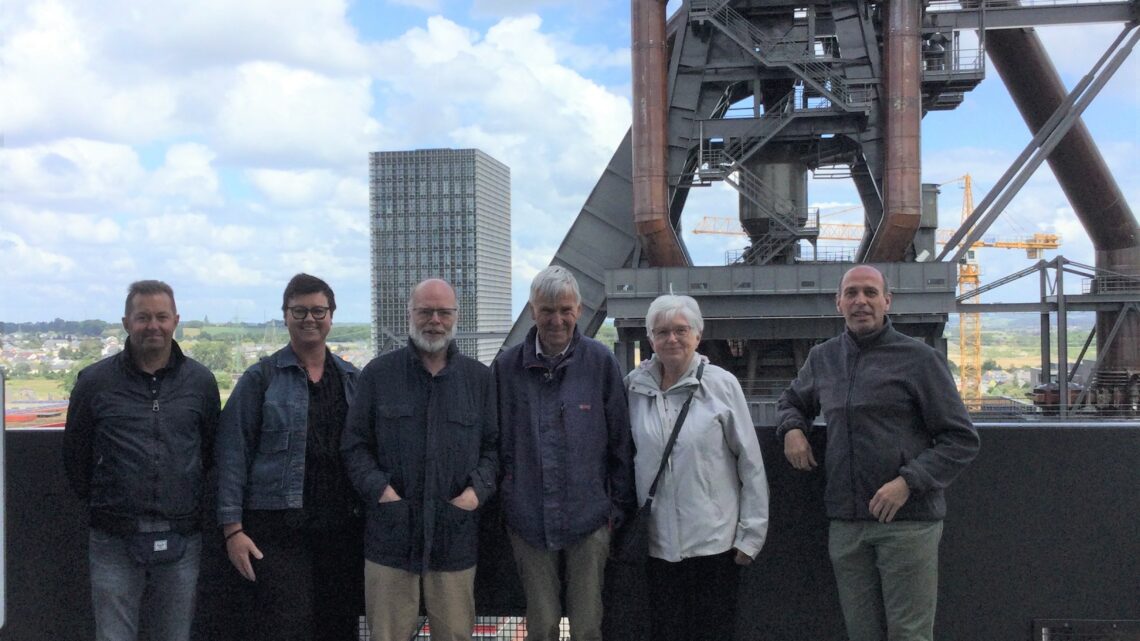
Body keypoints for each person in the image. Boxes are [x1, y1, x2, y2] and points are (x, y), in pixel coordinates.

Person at [776, 264, 980, 641]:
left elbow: (961, 438)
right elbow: (791, 400)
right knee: (861, 633)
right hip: (847, 523)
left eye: (870, 293)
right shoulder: (824, 358)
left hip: (908, 524)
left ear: (887, 301)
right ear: (839, 303)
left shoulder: (920, 359)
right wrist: (792, 429)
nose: (860, 301)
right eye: (851, 293)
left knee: (909, 635)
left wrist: (908, 481)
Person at [63, 280, 220, 641]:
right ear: (125, 322)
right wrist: (110, 503)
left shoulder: (201, 382)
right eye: (143, 317)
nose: (153, 326)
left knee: (174, 635)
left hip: (181, 535)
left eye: (162, 317)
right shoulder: (94, 382)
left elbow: (210, 451)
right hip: (113, 537)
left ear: (176, 320)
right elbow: (75, 456)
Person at [341, 278, 498, 641]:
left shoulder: (479, 380)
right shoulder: (379, 375)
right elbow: (354, 446)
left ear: (456, 316)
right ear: (410, 315)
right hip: (391, 539)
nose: (435, 320)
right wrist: (382, 493)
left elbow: (494, 449)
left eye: (444, 312)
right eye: (426, 311)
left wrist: (473, 496)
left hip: (453, 539)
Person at [215, 273, 363, 641]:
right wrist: (233, 529)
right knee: (286, 627)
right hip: (278, 532)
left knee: (339, 626)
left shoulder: (351, 379)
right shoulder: (260, 378)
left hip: (340, 529)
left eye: (318, 311)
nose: (309, 319)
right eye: (299, 311)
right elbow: (232, 453)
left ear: (332, 316)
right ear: (284, 315)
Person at [491, 266, 636, 641]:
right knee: (541, 624)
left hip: (590, 519)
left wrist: (613, 511)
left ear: (580, 310)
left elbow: (620, 441)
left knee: (588, 624)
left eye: (565, 309)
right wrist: (508, 503)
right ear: (532, 310)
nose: (557, 319)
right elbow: (495, 440)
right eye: (547, 310)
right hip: (527, 517)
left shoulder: (600, 362)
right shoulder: (506, 368)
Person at [625, 294, 769, 641]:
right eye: (662, 332)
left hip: (714, 545)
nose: (671, 339)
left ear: (697, 336)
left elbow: (750, 463)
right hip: (657, 546)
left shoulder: (721, 385)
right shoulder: (632, 388)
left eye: (680, 330)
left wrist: (750, 536)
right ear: (651, 340)